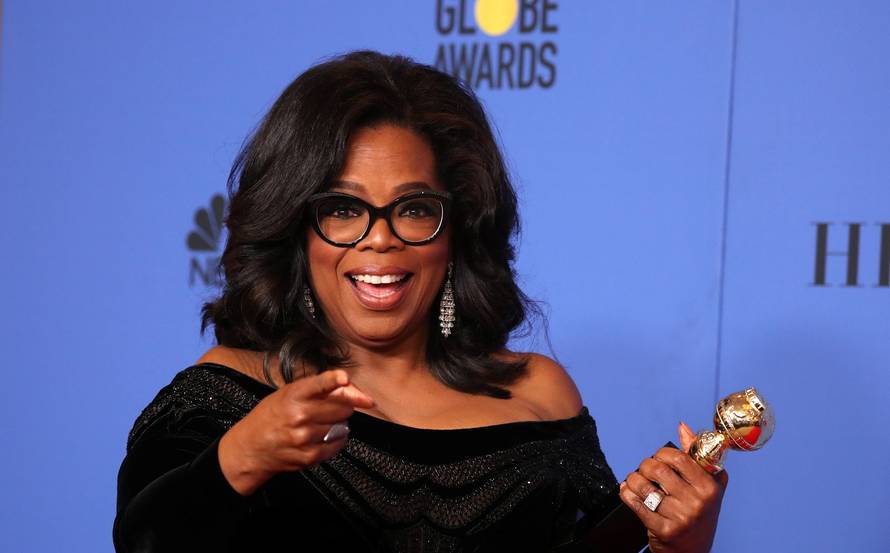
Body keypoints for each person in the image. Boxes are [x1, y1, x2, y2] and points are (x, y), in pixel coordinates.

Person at [113, 51, 728, 553]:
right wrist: (245, 455)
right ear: (295, 233)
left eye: (414, 209)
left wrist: (683, 546)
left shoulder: (540, 397)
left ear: (458, 229)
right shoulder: (223, 396)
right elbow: (142, 542)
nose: (379, 237)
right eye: (342, 208)